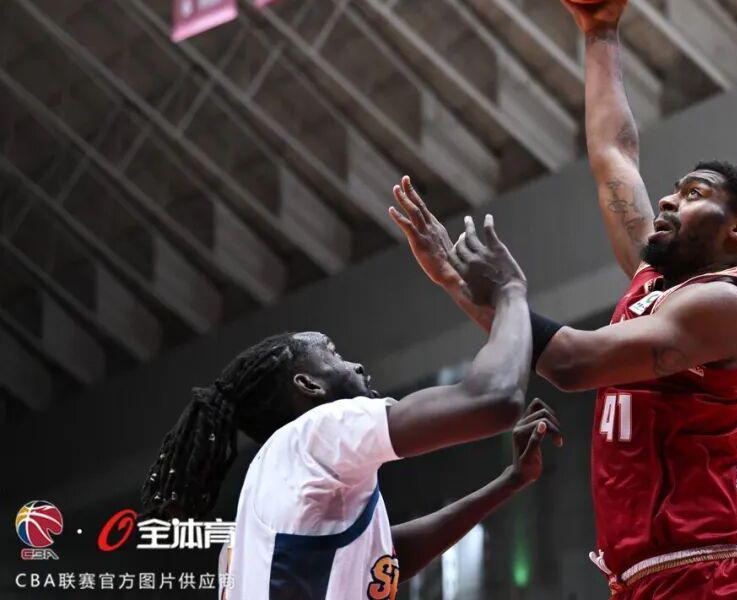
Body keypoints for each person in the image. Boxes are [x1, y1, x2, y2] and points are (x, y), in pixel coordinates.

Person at [391, 0, 737, 598]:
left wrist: (507, 293)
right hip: (642, 583)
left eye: (695, 194)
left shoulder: (726, 306)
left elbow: (571, 363)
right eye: (674, 189)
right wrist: (601, 32)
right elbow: (612, 152)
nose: (669, 200)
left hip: (704, 580)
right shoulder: (656, 284)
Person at [140, 214, 563, 600]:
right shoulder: (319, 431)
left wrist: (508, 482)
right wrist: (510, 292)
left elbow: (383, 561)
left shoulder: (255, 515)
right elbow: (494, 399)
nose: (356, 365)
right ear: (308, 385)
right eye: (333, 354)